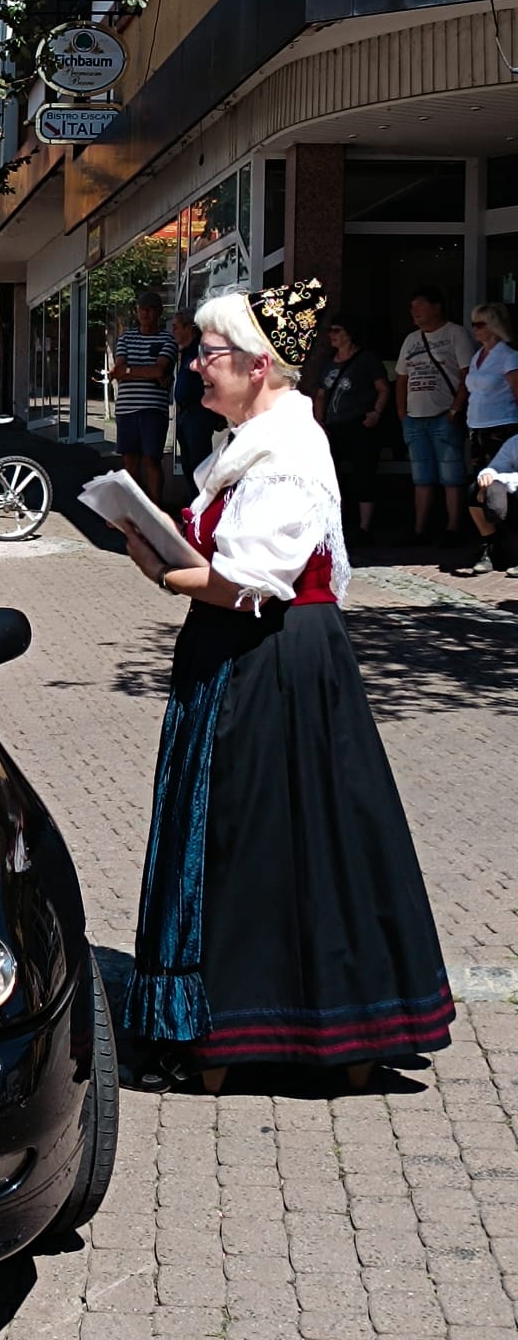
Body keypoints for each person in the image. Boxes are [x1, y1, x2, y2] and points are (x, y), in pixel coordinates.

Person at [119, 277, 453, 1093]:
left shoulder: (290, 451)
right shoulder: (244, 444)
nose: (196, 367)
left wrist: (167, 570)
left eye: (211, 354)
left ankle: (257, 1024)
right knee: (246, 834)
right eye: (199, 352)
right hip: (238, 654)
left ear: (260, 364)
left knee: (265, 837)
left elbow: (248, 579)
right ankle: (223, 1020)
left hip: (276, 662)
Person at [395, 286, 474, 545]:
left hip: (444, 414)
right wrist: (402, 413)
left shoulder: (455, 334)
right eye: (412, 307)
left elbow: (466, 375)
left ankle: (453, 528)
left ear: (436, 306)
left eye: (420, 305)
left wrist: (456, 408)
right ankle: (420, 530)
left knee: (451, 475)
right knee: (421, 476)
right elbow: (401, 378)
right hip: (414, 416)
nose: (414, 312)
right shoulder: (411, 339)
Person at [312, 314, 389, 545]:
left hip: (359, 424)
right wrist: (319, 423)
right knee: (331, 477)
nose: (331, 336)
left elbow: (383, 388)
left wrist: (376, 412)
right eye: (330, 331)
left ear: (349, 333)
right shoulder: (329, 362)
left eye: (336, 330)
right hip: (333, 426)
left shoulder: (367, 360)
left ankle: (365, 528)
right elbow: (320, 395)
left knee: (363, 474)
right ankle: (334, 525)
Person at [112, 290, 178, 502]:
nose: (145, 313)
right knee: (129, 460)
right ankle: (134, 507)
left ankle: (155, 509)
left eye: (149, 309)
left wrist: (131, 371)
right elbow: (118, 371)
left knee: (151, 459)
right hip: (126, 409)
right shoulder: (126, 338)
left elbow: (160, 370)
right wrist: (147, 372)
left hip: (153, 410)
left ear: (159, 312)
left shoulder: (167, 339)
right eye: (141, 309)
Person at [171, 309, 223, 496]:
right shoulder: (185, 353)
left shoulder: (200, 350)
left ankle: (202, 505)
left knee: (199, 464)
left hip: (198, 413)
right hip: (184, 413)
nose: (173, 331)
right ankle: (194, 504)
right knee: (187, 463)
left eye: (176, 327)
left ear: (189, 328)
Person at [464, 301, 518, 471]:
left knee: (498, 477)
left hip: (501, 425)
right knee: (480, 477)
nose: (475, 329)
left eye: (479, 325)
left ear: (494, 325)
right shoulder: (476, 356)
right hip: (476, 425)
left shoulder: (509, 356)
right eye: (473, 324)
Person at [457, 431, 518, 577]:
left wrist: (498, 478)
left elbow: (501, 475)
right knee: (475, 490)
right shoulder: (514, 442)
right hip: (513, 491)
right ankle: (493, 547)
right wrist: (486, 477)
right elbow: (496, 466)